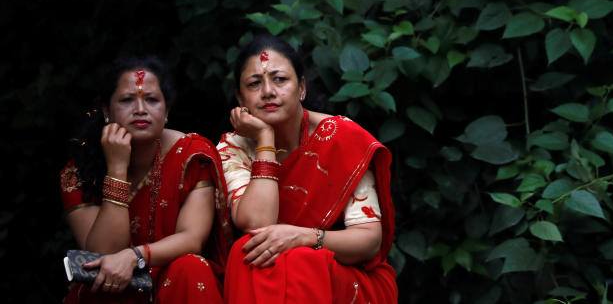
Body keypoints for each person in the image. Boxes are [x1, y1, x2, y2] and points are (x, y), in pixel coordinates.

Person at [217, 35, 397, 304]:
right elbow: (257, 223)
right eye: (255, 83)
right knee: (247, 251)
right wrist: (265, 139)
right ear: (240, 97)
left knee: (298, 259)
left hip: (348, 275)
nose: (268, 91)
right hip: (271, 274)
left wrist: (303, 237)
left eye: (280, 79)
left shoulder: (342, 138)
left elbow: (369, 241)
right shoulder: (234, 147)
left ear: (301, 88)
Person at [59, 55, 232, 303]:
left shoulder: (191, 155)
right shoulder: (77, 172)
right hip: (114, 286)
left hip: (172, 281)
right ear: (107, 110)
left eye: (151, 100)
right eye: (127, 100)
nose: (141, 110)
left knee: (191, 267)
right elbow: (101, 254)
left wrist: (135, 255)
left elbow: (192, 237)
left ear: (167, 110)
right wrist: (117, 169)